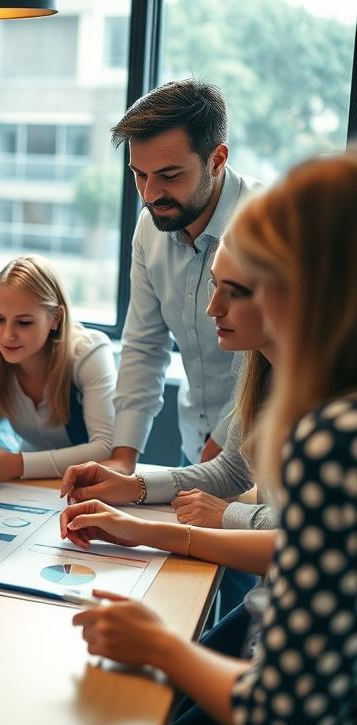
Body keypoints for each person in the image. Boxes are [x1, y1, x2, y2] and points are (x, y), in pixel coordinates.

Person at [60, 153, 357, 725]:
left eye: (237, 290)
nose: (211, 308)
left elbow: (286, 720)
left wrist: (162, 646)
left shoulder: (333, 435)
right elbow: (234, 477)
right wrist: (136, 498)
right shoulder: (273, 370)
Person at [60, 239, 276, 530]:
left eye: (235, 293)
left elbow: (310, 528)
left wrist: (225, 515)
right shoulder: (263, 369)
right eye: (214, 285)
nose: (213, 309)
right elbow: (233, 470)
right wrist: (132, 486)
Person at [106, 78, 262, 473]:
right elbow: (144, 345)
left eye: (169, 175)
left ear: (217, 158)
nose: (150, 193)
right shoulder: (149, 227)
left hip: (260, 450)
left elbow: (272, 356)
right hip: (193, 441)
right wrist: (123, 460)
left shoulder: (268, 226)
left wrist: (221, 450)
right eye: (139, 174)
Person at [0, 255, 117, 481]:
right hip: (29, 484)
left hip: (87, 483)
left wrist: (19, 464)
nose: (7, 335)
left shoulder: (90, 352)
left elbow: (106, 448)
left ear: (56, 318)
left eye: (23, 322)